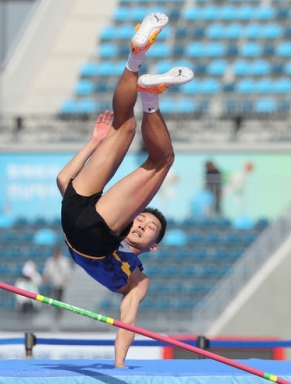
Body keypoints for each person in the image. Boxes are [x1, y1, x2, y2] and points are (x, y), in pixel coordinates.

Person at [56, 12, 193, 368]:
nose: (141, 225)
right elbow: (62, 182)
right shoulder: (127, 255)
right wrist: (92, 143)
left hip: (83, 225)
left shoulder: (136, 274)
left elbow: (126, 319)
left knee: (154, 153)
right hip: (80, 218)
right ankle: (139, 66)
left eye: (147, 229)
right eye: (143, 220)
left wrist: (120, 366)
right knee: (137, 139)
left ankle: (148, 89)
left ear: (153, 246)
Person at [42, 248, 72, 319]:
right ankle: (55, 312)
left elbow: (66, 272)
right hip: (53, 283)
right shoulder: (50, 261)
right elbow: (47, 272)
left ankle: (59, 312)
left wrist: (65, 280)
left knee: (59, 298)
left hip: (61, 284)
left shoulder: (64, 261)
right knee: (54, 298)